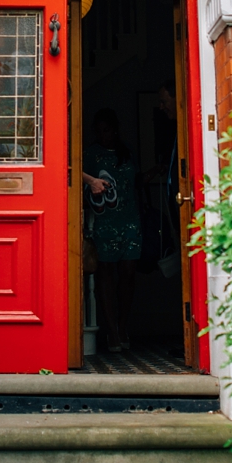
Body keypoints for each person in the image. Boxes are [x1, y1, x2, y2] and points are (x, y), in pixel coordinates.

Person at [83, 108, 140, 352]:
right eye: (99, 130)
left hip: (130, 219)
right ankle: (112, 333)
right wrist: (92, 182)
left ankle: (124, 325)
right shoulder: (91, 155)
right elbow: (73, 173)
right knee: (105, 275)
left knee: (128, 274)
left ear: (115, 130)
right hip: (104, 221)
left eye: (107, 130)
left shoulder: (126, 152)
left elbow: (134, 182)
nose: (103, 134)